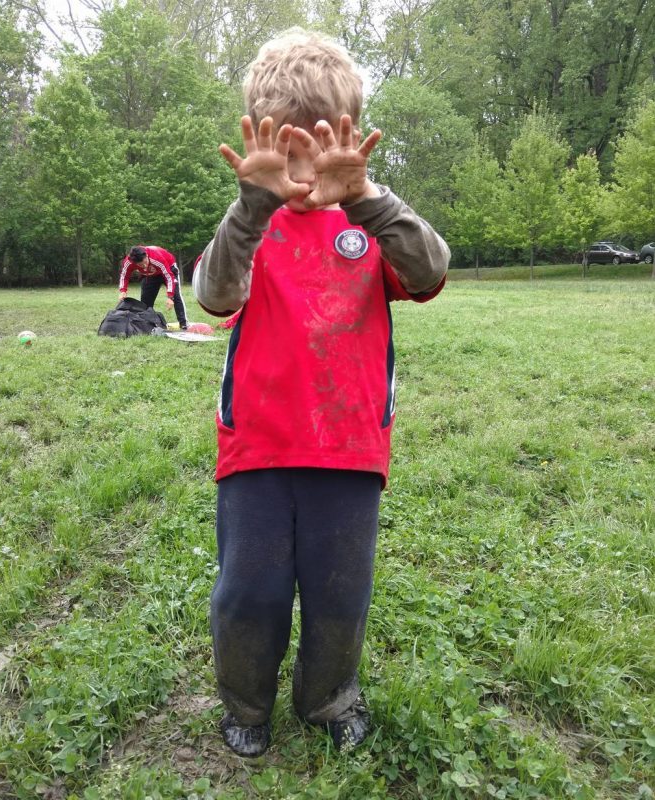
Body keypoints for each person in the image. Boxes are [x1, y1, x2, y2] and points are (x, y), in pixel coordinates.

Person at [192, 28, 450, 757]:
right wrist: (247, 208)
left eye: (319, 142)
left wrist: (368, 197)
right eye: (288, 146)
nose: (304, 167)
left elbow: (430, 271)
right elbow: (211, 294)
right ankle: (245, 702)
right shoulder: (252, 227)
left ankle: (328, 697)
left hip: (349, 450)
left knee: (340, 595)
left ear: (345, 136)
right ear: (266, 142)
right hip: (258, 451)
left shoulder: (368, 224)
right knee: (250, 593)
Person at [118, 245, 189, 330]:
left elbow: (168, 276)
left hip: (169, 269)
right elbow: (124, 275)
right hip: (150, 275)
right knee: (145, 302)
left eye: (145, 262)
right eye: (140, 265)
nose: (144, 266)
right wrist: (123, 290)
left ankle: (184, 323)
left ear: (146, 256)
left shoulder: (156, 257)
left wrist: (170, 296)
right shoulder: (128, 262)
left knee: (176, 296)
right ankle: (147, 324)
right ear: (135, 262)